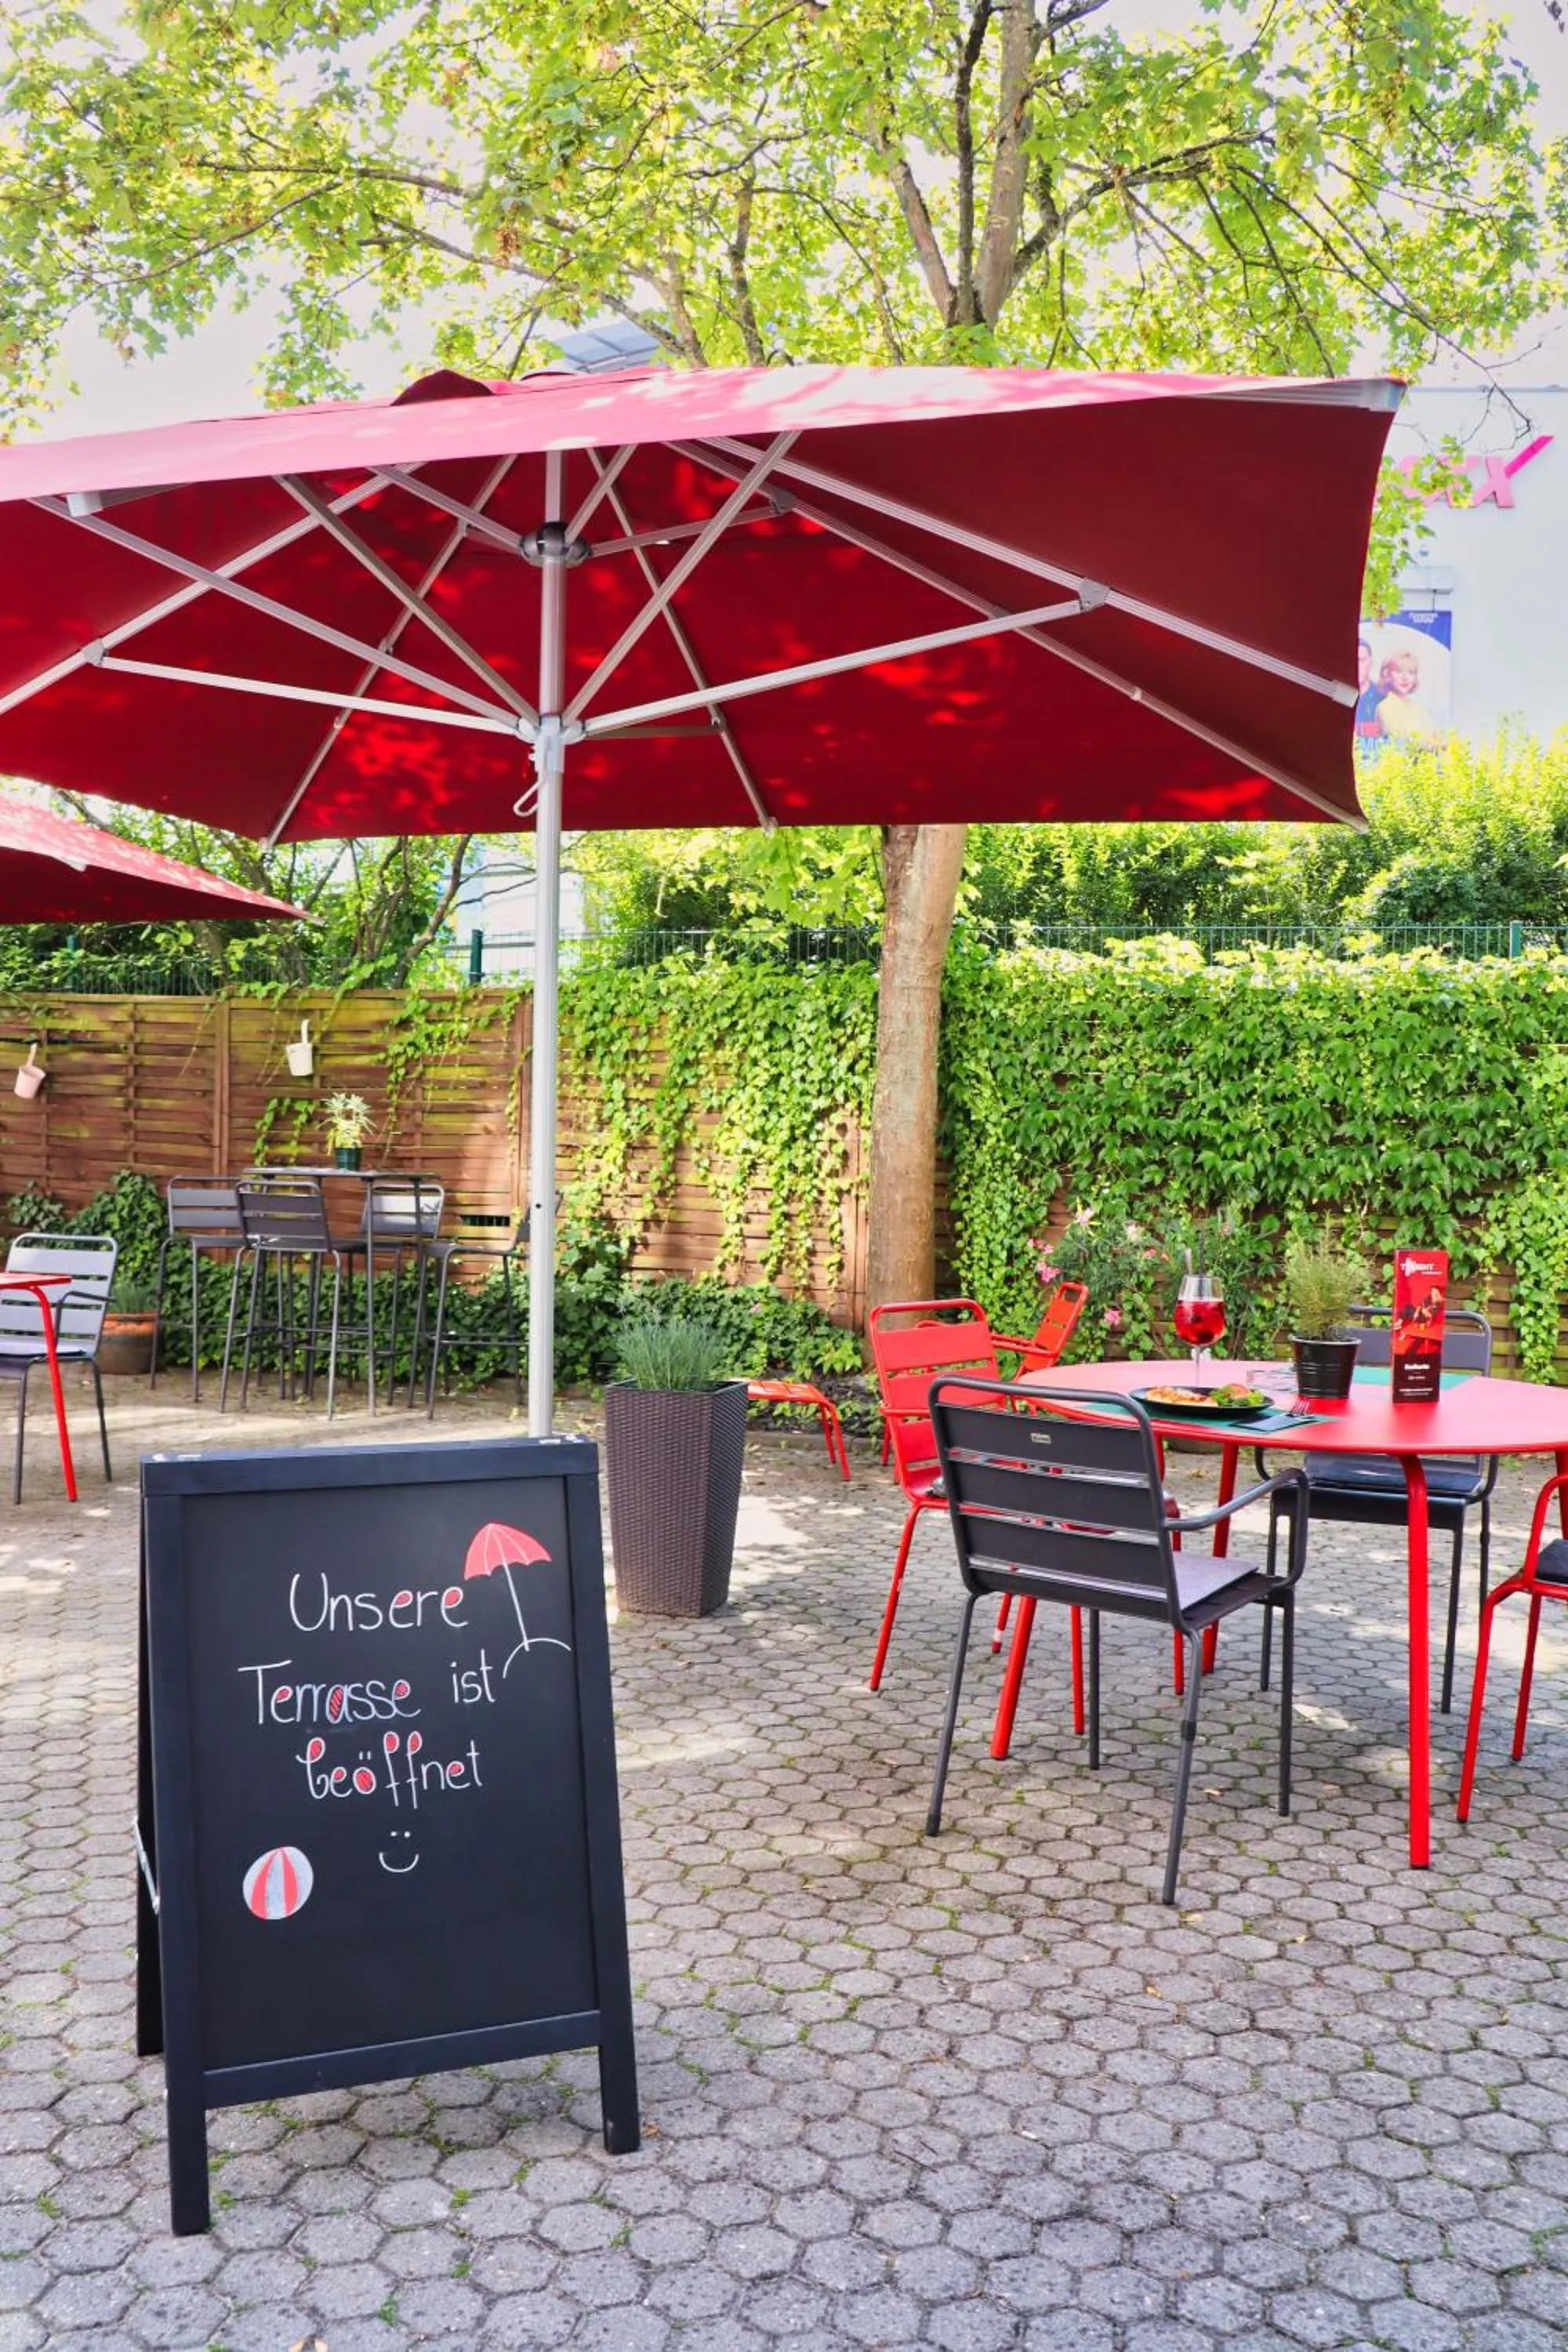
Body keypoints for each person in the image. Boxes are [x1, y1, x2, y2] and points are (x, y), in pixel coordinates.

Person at [1376, 648, 1439, 743]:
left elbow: (1434, 738)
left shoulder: (1419, 708)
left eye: (1411, 673)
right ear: (1387, 674)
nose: (1405, 678)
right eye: (1399, 671)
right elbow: (1399, 739)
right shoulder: (1385, 706)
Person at [1354, 637, 1385, 740]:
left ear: (1371, 663)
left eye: (1361, 660)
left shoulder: (1383, 699)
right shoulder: (1338, 695)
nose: (1356, 667)